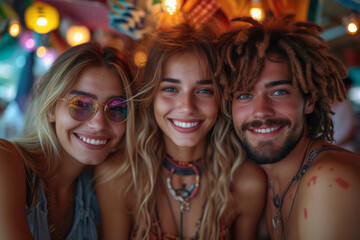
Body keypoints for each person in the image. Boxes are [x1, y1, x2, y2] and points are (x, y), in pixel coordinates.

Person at [96, 22, 267, 239]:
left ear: (221, 98)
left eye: (204, 90)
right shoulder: (118, 178)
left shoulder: (247, 183)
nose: (186, 107)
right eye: (170, 89)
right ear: (151, 98)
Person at [216, 15, 360, 240]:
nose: (261, 110)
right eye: (244, 95)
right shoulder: (264, 179)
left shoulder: (328, 181)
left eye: (279, 92)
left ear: (309, 101)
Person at [0, 42, 134, 239]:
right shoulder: (6, 162)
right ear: (51, 108)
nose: (98, 124)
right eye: (80, 104)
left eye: (116, 108)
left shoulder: (102, 187)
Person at [330, 77, 357, 152]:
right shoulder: (326, 105)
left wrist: (333, 146)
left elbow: (351, 133)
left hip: (343, 149)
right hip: (332, 149)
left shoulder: (346, 106)